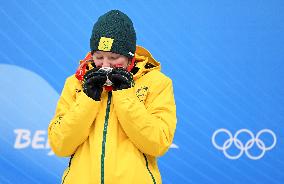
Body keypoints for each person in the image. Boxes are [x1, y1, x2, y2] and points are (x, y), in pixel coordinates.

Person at [48, 10, 176, 184]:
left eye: (114, 58)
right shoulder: (76, 83)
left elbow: (157, 143)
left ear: (130, 58)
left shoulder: (157, 83)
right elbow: (60, 145)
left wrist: (125, 95)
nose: (106, 65)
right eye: (99, 57)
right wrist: (88, 99)